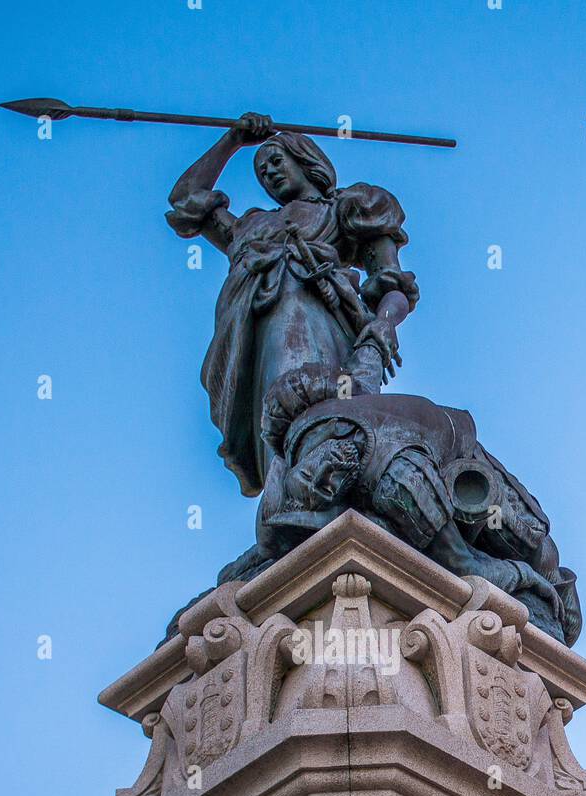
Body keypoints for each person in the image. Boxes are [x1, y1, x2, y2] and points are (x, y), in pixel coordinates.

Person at [166, 112, 419, 503]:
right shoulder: (249, 226)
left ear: (306, 158)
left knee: (320, 417)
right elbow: (186, 200)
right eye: (262, 171)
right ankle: (286, 514)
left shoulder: (345, 207)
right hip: (250, 339)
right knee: (274, 429)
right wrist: (232, 140)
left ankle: (330, 502)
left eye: (276, 161)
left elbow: (393, 282)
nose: (269, 173)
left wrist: (384, 325)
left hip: (318, 320)